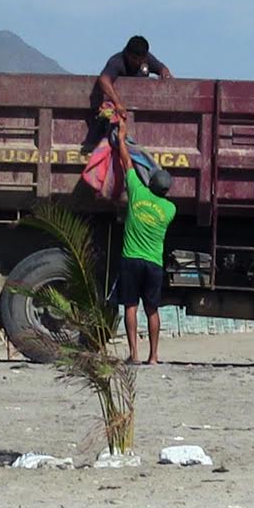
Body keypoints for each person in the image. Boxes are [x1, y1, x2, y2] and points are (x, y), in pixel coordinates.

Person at [114, 113, 175, 365]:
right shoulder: (170, 210)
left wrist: (120, 135)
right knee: (152, 309)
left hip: (131, 260)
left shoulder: (138, 193)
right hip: (153, 263)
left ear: (149, 184)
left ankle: (134, 355)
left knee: (130, 306)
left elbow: (126, 161)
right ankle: (154, 357)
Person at [94, 35, 172, 119]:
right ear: (127, 54)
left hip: (143, 106)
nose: (138, 62)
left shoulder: (147, 59)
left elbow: (162, 69)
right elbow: (104, 80)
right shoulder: (117, 61)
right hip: (119, 108)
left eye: (141, 59)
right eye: (134, 58)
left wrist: (166, 76)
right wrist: (118, 103)